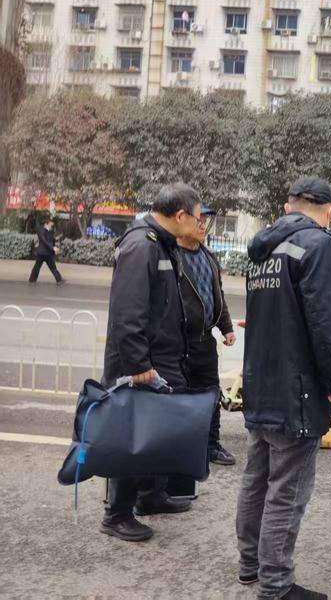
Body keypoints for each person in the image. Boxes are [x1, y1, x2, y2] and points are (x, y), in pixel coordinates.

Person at [237, 177, 331, 600]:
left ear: (289, 207)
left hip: (261, 383)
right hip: (296, 390)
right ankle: (275, 585)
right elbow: (326, 321)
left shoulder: (264, 249)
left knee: (257, 479)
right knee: (287, 491)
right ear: (329, 210)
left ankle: (250, 565)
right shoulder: (317, 244)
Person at [100, 183, 202, 542]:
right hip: (141, 365)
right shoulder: (141, 245)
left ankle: (150, 495)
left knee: (155, 434)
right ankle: (117, 514)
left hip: (160, 359)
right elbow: (127, 314)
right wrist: (138, 365)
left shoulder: (162, 243)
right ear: (181, 215)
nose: (200, 224)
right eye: (198, 217)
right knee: (133, 436)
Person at [177, 206, 237, 467]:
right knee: (180, 396)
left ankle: (211, 445)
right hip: (179, 341)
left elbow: (217, 295)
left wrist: (226, 327)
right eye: (198, 221)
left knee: (211, 393)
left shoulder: (208, 257)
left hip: (205, 340)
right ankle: (179, 446)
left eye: (205, 222)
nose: (203, 226)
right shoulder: (172, 256)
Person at [28, 217, 65, 285]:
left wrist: (56, 239)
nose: (51, 225)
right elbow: (44, 241)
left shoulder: (49, 231)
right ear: (46, 224)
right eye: (50, 224)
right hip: (43, 253)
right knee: (38, 267)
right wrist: (52, 248)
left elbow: (51, 240)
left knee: (52, 267)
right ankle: (32, 280)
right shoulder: (41, 231)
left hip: (47, 253)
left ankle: (59, 280)